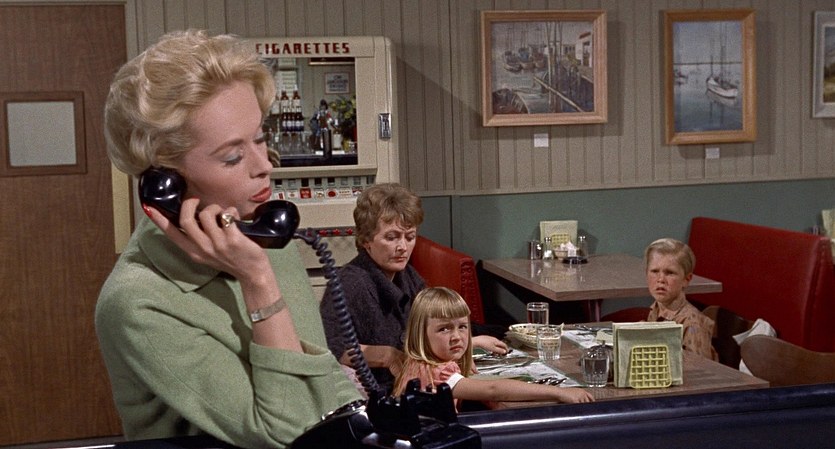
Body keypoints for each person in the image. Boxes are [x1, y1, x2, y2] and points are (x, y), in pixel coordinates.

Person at [96, 30, 362, 448]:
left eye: (260, 138)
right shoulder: (138, 303)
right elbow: (289, 434)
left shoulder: (259, 236)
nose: (263, 166)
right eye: (233, 156)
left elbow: (325, 385)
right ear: (166, 182)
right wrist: (258, 281)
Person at [319, 183, 508, 394]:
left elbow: (433, 326)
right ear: (366, 240)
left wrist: (470, 342)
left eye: (410, 237)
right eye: (391, 238)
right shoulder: (349, 283)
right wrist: (387, 355)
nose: (403, 247)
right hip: (380, 395)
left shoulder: (408, 276)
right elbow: (331, 347)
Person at [392, 287, 594, 408]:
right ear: (420, 334)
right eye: (444, 329)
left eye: (462, 327)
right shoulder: (439, 374)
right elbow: (493, 390)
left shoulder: (415, 362)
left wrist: (474, 342)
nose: (456, 337)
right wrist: (558, 392)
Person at [644, 238, 718, 361]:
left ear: (686, 279)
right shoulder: (657, 308)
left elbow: (701, 368)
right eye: (654, 271)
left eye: (670, 273)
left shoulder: (693, 324)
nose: (661, 279)